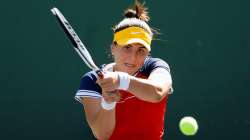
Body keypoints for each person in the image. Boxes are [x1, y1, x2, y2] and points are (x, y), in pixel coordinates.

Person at [75, 1, 173, 140]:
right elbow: (102, 135)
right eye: (127, 47)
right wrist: (108, 102)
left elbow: (157, 92)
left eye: (141, 50)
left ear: (148, 53)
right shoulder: (92, 80)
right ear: (113, 47)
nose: (133, 57)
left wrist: (120, 80)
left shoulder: (155, 66)